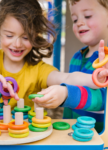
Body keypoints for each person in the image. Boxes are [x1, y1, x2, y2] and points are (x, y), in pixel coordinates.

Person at [0, 0, 107, 115]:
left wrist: (94, 78)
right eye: (9, 35)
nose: (17, 44)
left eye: (25, 37)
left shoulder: (39, 70)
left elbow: (68, 78)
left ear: (35, 35)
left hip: (26, 140)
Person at [34, 0, 108, 133]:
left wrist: (67, 94)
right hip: (73, 133)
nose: (79, 22)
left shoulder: (106, 60)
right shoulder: (76, 57)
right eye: (74, 19)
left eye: (87, 16)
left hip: (96, 138)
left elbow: (103, 100)